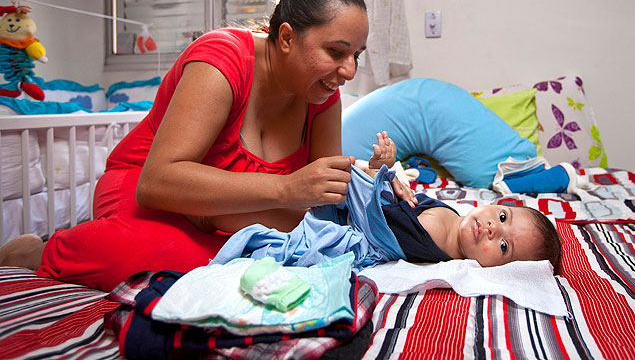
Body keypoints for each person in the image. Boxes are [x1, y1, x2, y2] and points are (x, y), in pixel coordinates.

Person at [0, 0, 371, 292]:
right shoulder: (222, 60)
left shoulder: (322, 95)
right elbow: (156, 182)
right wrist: (287, 189)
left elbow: (322, 207)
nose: (349, 70)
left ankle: (218, 232)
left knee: (272, 260)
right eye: (337, 52)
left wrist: (371, 185)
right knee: (178, 266)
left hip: (241, 213)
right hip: (154, 194)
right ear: (287, 38)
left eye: (357, 54)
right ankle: (42, 252)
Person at [211, 132, 563, 274]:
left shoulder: (445, 252)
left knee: (280, 226)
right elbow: (399, 206)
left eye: (503, 245)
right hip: (351, 209)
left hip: (348, 226)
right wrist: (384, 173)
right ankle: (221, 193)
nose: (490, 227)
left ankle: (212, 214)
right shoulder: (454, 217)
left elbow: (386, 227)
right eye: (502, 215)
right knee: (337, 173)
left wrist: (378, 180)